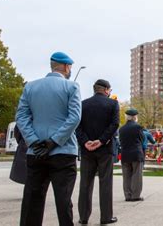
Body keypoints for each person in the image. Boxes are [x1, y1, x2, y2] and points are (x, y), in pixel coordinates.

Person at [16, 52, 81, 226]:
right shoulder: (72, 87)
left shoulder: (30, 87)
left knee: (32, 199)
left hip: (35, 151)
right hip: (63, 151)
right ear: (66, 67)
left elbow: (21, 117)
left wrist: (34, 141)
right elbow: (74, 118)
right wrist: (54, 141)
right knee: (63, 200)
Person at [76, 79, 119, 225]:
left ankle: (83, 217)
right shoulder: (113, 104)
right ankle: (106, 216)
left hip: (87, 150)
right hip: (105, 149)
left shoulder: (83, 104)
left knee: (85, 184)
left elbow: (77, 125)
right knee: (105, 183)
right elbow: (115, 124)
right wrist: (101, 140)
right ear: (106, 89)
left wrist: (85, 141)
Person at [119, 108, 145, 202]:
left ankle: (128, 195)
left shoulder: (121, 129)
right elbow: (142, 140)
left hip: (125, 154)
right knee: (136, 175)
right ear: (134, 117)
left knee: (126, 176)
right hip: (136, 154)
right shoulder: (138, 127)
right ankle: (135, 195)